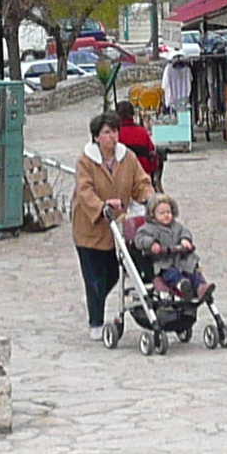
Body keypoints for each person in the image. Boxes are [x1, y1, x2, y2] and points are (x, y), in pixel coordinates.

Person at [70, 109, 149, 341]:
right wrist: (102, 205)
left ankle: (96, 298)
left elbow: (141, 182)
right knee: (93, 274)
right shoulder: (86, 161)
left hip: (117, 225)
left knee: (113, 272)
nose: (112, 137)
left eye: (115, 131)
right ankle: (95, 320)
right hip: (89, 227)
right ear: (96, 136)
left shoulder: (128, 158)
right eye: (106, 132)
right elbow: (85, 191)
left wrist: (148, 197)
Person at [134, 192, 208, 303]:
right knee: (171, 274)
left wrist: (185, 239)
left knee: (192, 271)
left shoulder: (177, 226)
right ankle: (182, 286)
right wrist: (152, 243)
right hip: (164, 262)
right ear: (153, 215)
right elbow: (140, 238)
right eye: (162, 213)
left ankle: (201, 287)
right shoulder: (150, 228)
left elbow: (185, 232)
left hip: (180, 261)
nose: (166, 215)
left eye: (168, 212)